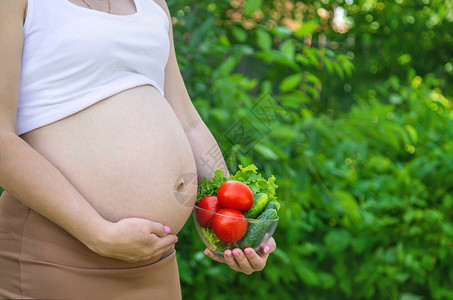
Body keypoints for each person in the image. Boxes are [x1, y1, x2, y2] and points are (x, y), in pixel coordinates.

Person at [0, 0, 276, 298]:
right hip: (56, 254)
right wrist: (98, 233)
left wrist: (236, 220)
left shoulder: (153, 3)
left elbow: (188, 122)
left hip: (155, 263)